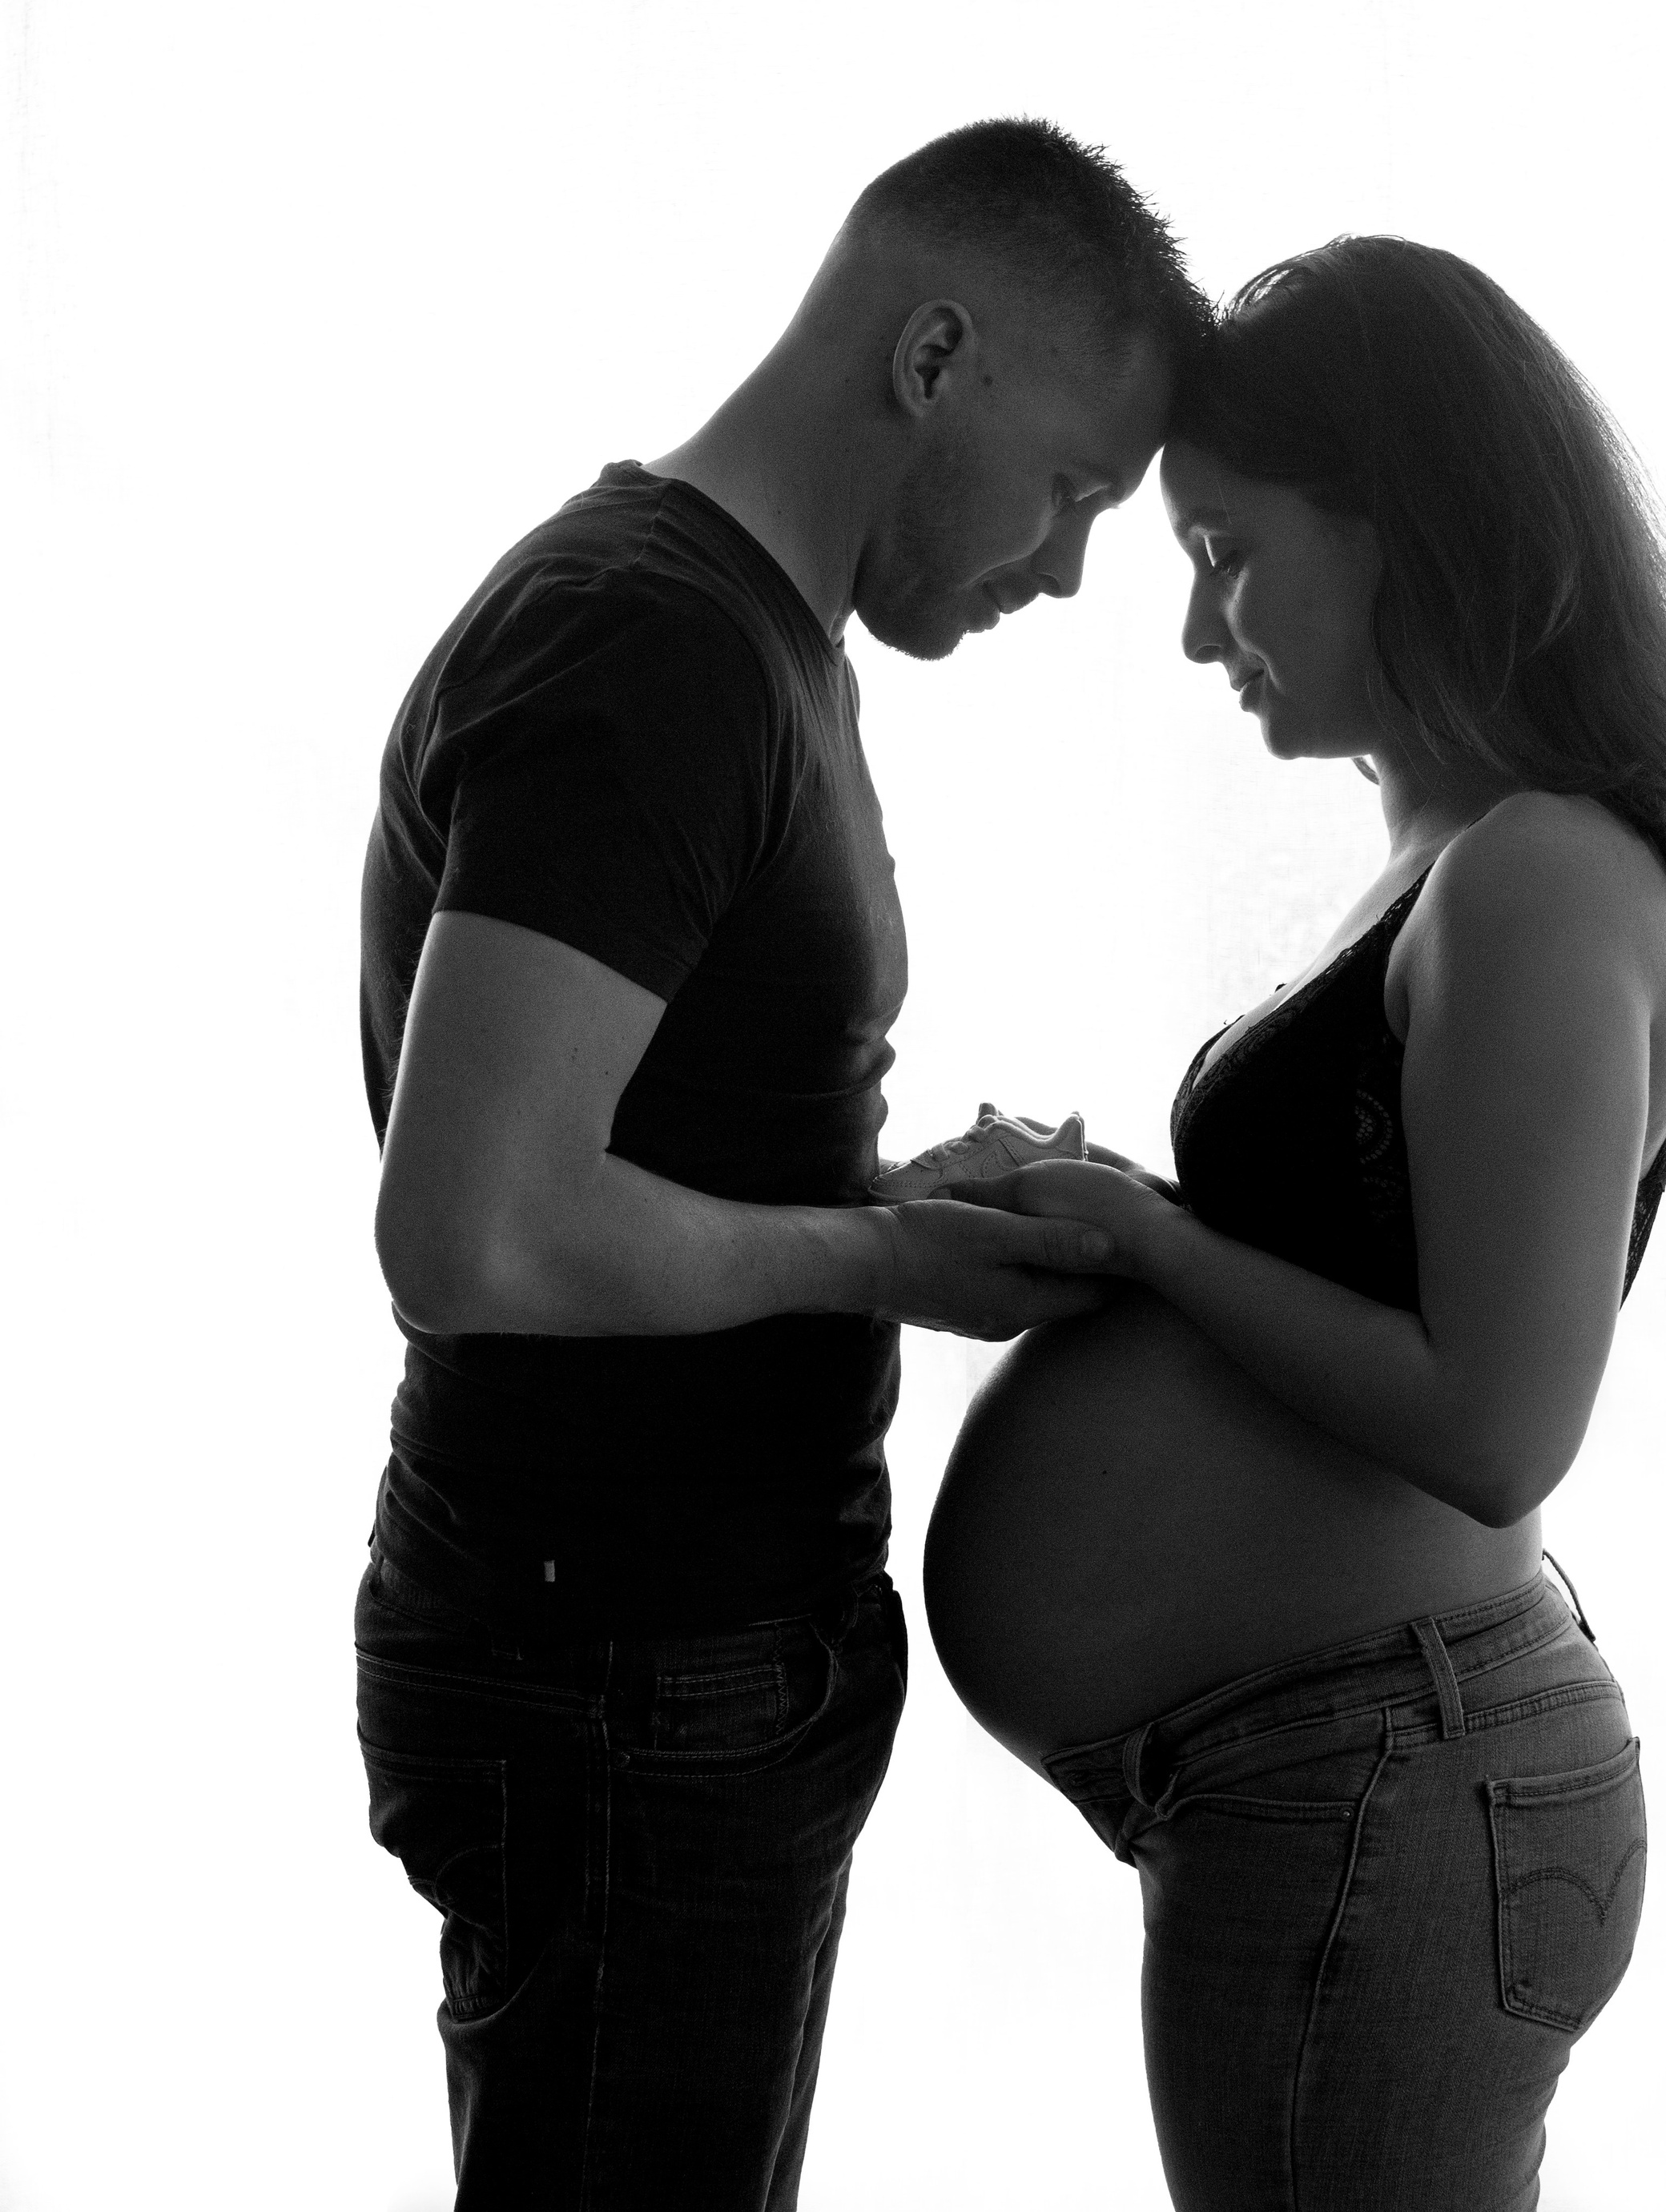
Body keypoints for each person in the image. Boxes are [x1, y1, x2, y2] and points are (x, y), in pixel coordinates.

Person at [354, 118, 1206, 2210]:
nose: (1070, 567)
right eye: (1080, 492)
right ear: (934, 356)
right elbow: (474, 1227)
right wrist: (885, 1249)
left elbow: (636, 1151)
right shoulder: (647, 652)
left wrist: (908, 1194)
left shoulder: (749, 640)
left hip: (684, 1666)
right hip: (618, 1676)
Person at [924, 235, 1666, 2211]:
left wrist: (1150, 1248)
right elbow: (1363, 1290)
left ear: (1398, 524)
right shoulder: (1456, 857)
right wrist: (1118, 1210)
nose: (1204, 633)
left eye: (1229, 555)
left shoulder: (1538, 877)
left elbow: (1494, 1422)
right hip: (1340, 1770)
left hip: (1394, 1772)